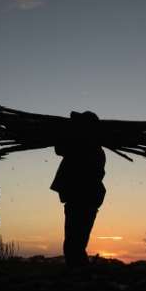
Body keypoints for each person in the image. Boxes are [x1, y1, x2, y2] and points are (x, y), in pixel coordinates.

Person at [50, 111, 106, 269]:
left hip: (82, 200)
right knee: (75, 241)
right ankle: (78, 272)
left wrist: (61, 132)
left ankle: (78, 274)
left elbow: (59, 148)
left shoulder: (86, 147)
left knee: (74, 242)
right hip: (84, 199)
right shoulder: (90, 147)